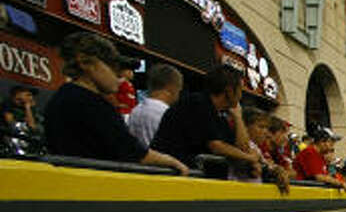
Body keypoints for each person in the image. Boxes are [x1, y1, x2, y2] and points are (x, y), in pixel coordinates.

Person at [42, 32, 187, 173]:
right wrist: (173, 162)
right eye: (113, 66)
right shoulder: (92, 105)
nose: (119, 75)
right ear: (86, 63)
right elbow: (134, 153)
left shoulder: (61, 97)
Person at [151, 65, 259, 175]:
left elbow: (241, 148)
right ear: (229, 91)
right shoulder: (197, 103)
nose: (241, 95)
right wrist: (249, 158)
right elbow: (216, 146)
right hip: (169, 174)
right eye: (240, 90)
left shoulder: (220, 115)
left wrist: (238, 117)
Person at [127, 63, 182, 149]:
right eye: (179, 89)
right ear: (171, 87)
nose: (178, 95)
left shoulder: (135, 110)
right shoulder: (167, 114)